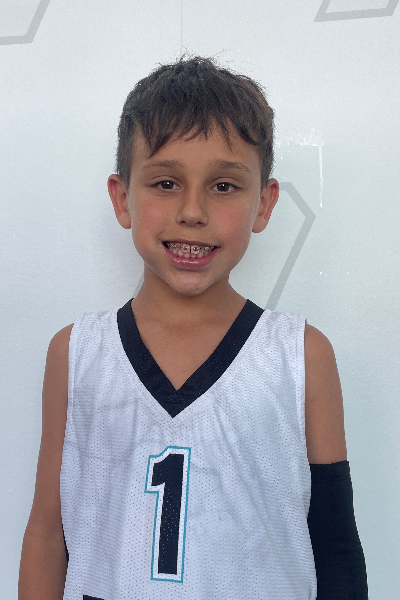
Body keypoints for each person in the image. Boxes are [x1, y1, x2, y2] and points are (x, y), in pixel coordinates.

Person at [18, 55, 368, 600]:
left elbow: (335, 544)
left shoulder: (301, 355)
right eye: (165, 182)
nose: (192, 210)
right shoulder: (77, 353)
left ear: (264, 204)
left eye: (224, 186)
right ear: (122, 198)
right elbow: (47, 533)